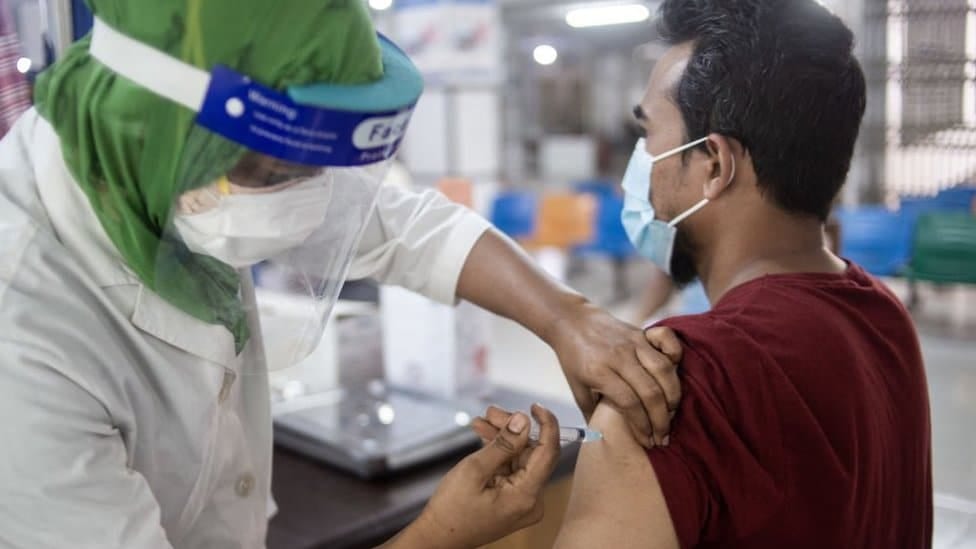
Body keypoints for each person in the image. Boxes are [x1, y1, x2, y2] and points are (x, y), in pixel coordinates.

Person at [0, 3, 683, 548]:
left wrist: (569, 318)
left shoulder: (165, 172)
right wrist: (438, 536)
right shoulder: (23, 335)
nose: (303, 199)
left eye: (313, 171)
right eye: (275, 174)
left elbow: (402, 226)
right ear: (163, 132)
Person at [529, 0, 928, 547]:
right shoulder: (883, 316)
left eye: (648, 136)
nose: (638, 167)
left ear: (713, 165)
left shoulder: (671, 386)